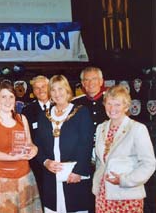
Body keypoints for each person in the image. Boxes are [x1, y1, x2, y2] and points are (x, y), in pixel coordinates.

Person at [33, 75, 95, 213]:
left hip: (74, 176)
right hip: (51, 176)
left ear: (67, 90)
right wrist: (45, 161)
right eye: (53, 90)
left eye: (60, 89)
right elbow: (38, 144)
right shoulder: (44, 115)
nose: (57, 93)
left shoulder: (81, 112)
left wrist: (78, 171)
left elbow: (86, 144)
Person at [92, 85, 156, 213]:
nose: (112, 109)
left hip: (127, 195)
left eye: (117, 104)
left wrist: (124, 180)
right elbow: (100, 161)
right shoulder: (101, 128)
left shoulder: (137, 128)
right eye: (109, 104)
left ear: (126, 107)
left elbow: (149, 164)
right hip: (103, 194)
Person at [0, 80, 42, 213]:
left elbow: (29, 143)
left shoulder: (22, 118)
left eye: (11, 96)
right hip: (1, 180)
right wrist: (13, 157)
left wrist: (34, 149)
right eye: (3, 96)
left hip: (25, 178)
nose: (7, 100)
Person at [22, 75, 51, 193]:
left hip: (57, 159)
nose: (40, 90)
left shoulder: (59, 106)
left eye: (43, 86)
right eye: (37, 88)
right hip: (36, 161)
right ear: (33, 91)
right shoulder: (27, 111)